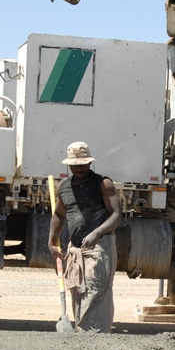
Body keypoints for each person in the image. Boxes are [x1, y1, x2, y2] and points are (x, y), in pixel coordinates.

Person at [49, 141, 121, 332]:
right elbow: (59, 215)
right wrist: (51, 241)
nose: (79, 168)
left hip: (100, 244)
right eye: (75, 164)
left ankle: (95, 336)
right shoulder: (63, 187)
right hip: (77, 247)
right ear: (69, 165)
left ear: (90, 163)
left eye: (83, 164)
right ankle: (83, 335)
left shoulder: (103, 184)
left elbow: (116, 215)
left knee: (96, 288)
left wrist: (97, 233)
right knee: (79, 289)